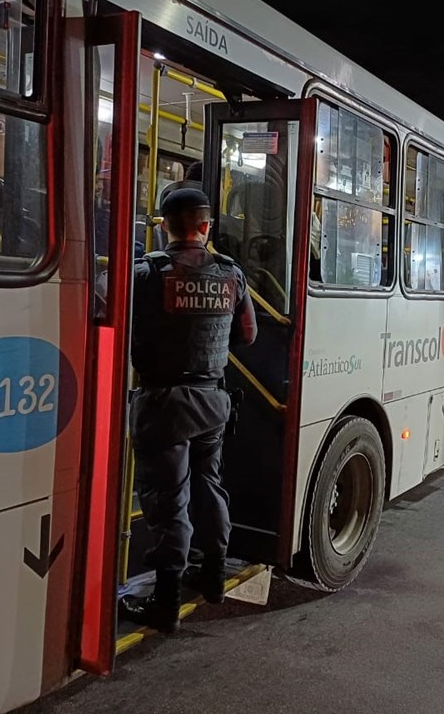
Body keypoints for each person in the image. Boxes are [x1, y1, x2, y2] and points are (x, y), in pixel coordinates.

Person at [119, 187, 257, 633]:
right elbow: (248, 335)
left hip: (163, 403)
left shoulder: (146, 273)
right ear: (206, 227)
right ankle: (214, 576)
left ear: (162, 227)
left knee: (167, 499)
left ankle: (165, 600)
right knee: (208, 485)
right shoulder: (231, 273)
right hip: (213, 400)